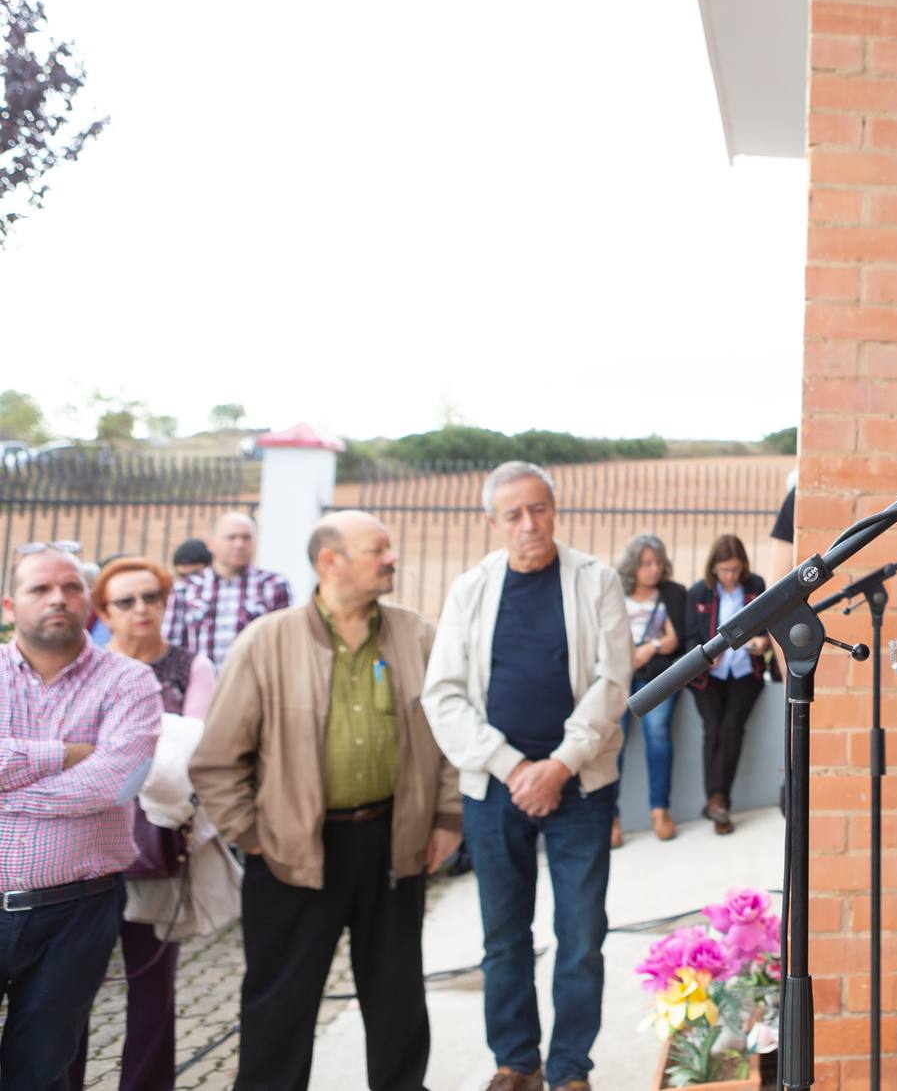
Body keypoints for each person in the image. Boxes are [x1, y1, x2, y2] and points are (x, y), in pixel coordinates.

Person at [191, 512, 460, 1091]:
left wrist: (445, 817)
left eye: (389, 549)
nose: (391, 559)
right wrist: (255, 837)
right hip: (292, 853)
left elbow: (447, 737)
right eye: (377, 550)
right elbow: (216, 759)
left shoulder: (417, 635)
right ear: (330, 561)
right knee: (280, 1004)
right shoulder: (268, 641)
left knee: (397, 999)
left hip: (393, 843)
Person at [422, 461, 628, 1091]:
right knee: (504, 937)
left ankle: (570, 1068)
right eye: (513, 514)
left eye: (538, 509)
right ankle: (517, 1062)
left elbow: (612, 681)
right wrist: (516, 768)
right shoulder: (470, 590)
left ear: (555, 510)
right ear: (493, 522)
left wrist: (560, 765)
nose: (529, 524)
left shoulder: (596, 581)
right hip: (497, 789)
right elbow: (444, 695)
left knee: (581, 934)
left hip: (581, 787)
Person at [1, 545, 161, 1091]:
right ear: (8, 605)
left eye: (71, 588)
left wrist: (8, 788)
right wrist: (58, 755)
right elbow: (86, 778)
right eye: (40, 589)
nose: (59, 599)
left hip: (77, 909)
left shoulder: (131, 682)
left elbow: (116, 782)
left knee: (42, 1068)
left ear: (88, 602)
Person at [65, 557, 218, 1091]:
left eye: (151, 597)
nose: (141, 609)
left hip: (155, 851)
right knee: (70, 992)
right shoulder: (83, 668)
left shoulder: (190, 667)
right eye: (125, 602)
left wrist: (105, 756)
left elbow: (190, 757)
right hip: (80, 851)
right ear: (103, 611)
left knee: (154, 989)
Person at [686, 534, 771, 836]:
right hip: (708, 677)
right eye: (724, 570)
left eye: (735, 569)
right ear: (713, 568)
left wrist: (763, 642)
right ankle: (718, 802)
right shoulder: (700, 593)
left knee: (731, 729)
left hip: (746, 672)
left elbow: (769, 625)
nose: (730, 576)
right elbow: (690, 638)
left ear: (743, 566)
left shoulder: (755, 586)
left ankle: (718, 801)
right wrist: (704, 657)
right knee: (713, 729)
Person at [613, 533, 685, 847]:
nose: (653, 569)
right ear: (632, 566)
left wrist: (650, 647)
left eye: (657, 562)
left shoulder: (671, 593)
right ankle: (610, 817)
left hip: (656, 676)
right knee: (612, 740)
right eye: (645, 563)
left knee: (657, 732)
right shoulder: (616, 593)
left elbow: (674, 638)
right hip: (619, 677)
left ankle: (660, 810)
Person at [163, 511, 291, 665]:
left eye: (246, 537)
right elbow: (171, 646)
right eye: (231, 537)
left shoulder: (273, 586)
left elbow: (285, 645)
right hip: (202, 686)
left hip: (256, 685)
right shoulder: (185, 589)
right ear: (211, 544)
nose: (239, 544)